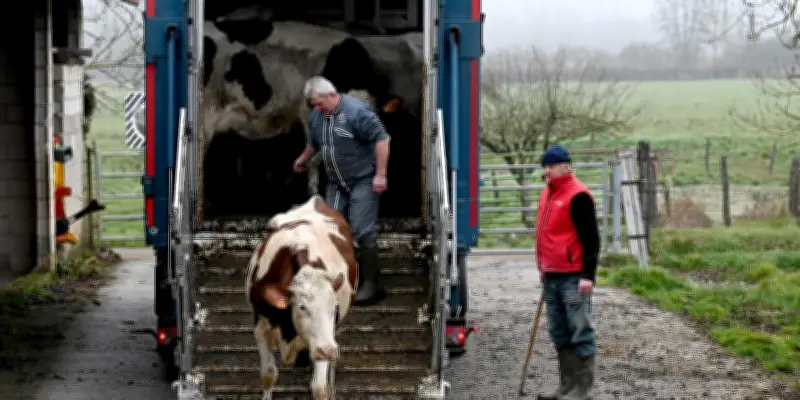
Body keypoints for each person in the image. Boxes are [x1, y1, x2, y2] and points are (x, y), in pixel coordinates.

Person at [293, 76, 391, 306]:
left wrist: (381, 174)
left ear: (332, 95)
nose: (317, 108)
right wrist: (303, 158)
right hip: (336, 183)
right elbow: (314, 144)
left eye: (319, 103)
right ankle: (339, 279)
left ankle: (372, 284)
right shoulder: (317, 117)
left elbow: (383, 139)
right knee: (330, 228)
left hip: (363, 180)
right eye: (313, 105)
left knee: (361, 230)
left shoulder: (357, 112)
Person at [534, 145, 600, 400]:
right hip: (551, 275)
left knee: (579, 329)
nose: (547, 170)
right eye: (545, 166)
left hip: (573, 276)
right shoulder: (546, 193)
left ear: (567, 165)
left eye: (552, 165)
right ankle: (566, 386)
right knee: (559, 332)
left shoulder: (578, 196)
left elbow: (591, 239)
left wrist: (588, 275)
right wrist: (543, 268)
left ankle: (582, 391)